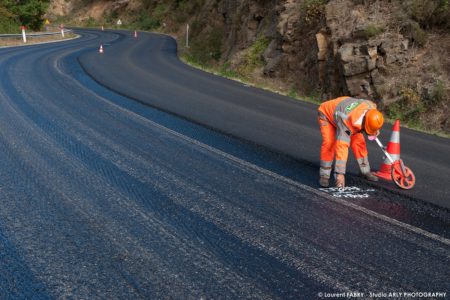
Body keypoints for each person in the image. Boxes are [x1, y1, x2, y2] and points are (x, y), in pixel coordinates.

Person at [317, 96, 384, 188]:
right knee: (330, 143)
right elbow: (342, 146)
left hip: (343, 106)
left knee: (359, 142)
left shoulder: (371, 107)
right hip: (327, 114)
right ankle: (324, 175)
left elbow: (373, 120)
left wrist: (374, 129)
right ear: (364, 122)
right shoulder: (347, 121)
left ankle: (365, 171)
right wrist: (340, 173)